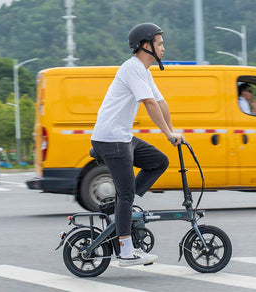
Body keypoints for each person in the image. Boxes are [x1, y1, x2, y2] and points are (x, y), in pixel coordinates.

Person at [90, 23, 183, 267]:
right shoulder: (131, 68)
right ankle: (126, 251)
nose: (164, 48)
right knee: (127, 192)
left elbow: (161, 102)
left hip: (121, 137)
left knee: (159, 162)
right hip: (111, 139)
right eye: (160, 43)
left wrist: (172, 131)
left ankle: (123, 206)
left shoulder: (144, 71)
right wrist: (166, 134)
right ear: (145, 45)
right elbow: (149, 104)